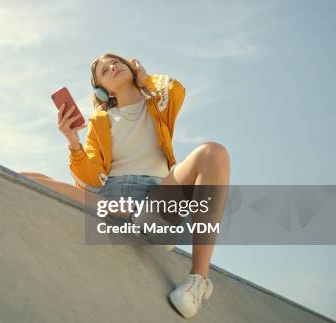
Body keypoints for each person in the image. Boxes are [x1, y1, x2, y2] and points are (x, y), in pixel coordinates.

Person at [20, 53, 230, 318]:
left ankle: (198, 280)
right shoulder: (100, 122)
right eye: (105, 71)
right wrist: (73, 140)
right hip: (109, 200)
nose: (112, 67)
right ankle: (128, 214)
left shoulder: (158, 104)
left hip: (154, 203)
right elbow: (91, 177)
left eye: (116, 62)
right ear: (102, 89)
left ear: (131, 67)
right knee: (28, 177)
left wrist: (144, 80)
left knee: (213, 153)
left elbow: (175, 90)